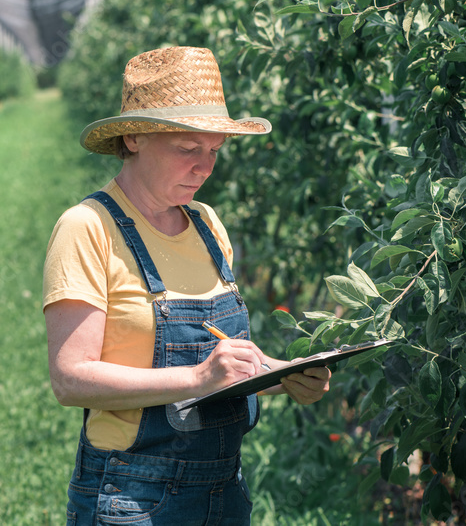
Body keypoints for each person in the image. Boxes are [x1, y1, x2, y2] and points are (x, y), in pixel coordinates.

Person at [42, 46, 331, 525]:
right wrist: (198, 380)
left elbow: (221, 362)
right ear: (134, 137)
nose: (205, 167)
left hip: (225, 489)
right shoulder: (87, 228)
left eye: (214, 150)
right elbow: (70, 379)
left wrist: (286, 374)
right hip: (133, 497)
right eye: (187, 149)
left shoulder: (207, 224)